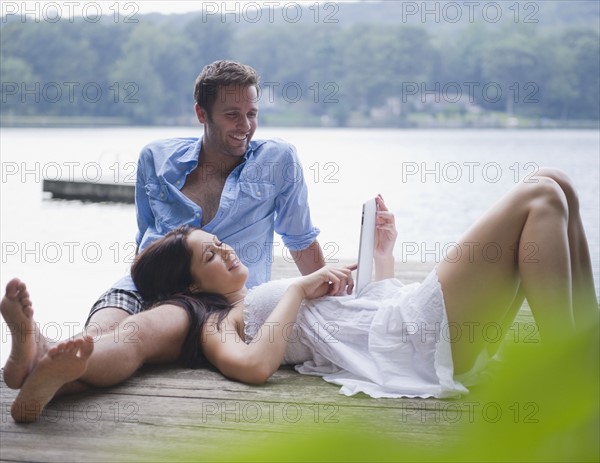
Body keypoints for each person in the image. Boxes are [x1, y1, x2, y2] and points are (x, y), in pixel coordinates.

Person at [2, 168, 598, 421]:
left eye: (218, 242)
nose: (227, 252)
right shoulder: (218, 319)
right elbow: (255, 367)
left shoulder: (248, 295)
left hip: (401, 325)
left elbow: (356, 319)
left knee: (557, 183)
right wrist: (300, 292)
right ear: (192, 286)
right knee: (539, 198)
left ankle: (584, 358)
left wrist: (380, 255)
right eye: (212, 256)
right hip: (412, 340)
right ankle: (576, 373)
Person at [87, 59, 325, 340]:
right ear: (202, 114)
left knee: (130, 339)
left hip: (218, 300)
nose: (245, 126)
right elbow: (145, 240)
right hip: (148, 285)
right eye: (232, 114)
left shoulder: (278, 160)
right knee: (94, 335)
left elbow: (300, 240)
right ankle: (42, 356)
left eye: (252, 113)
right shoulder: (155, 157)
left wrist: (331, 303)